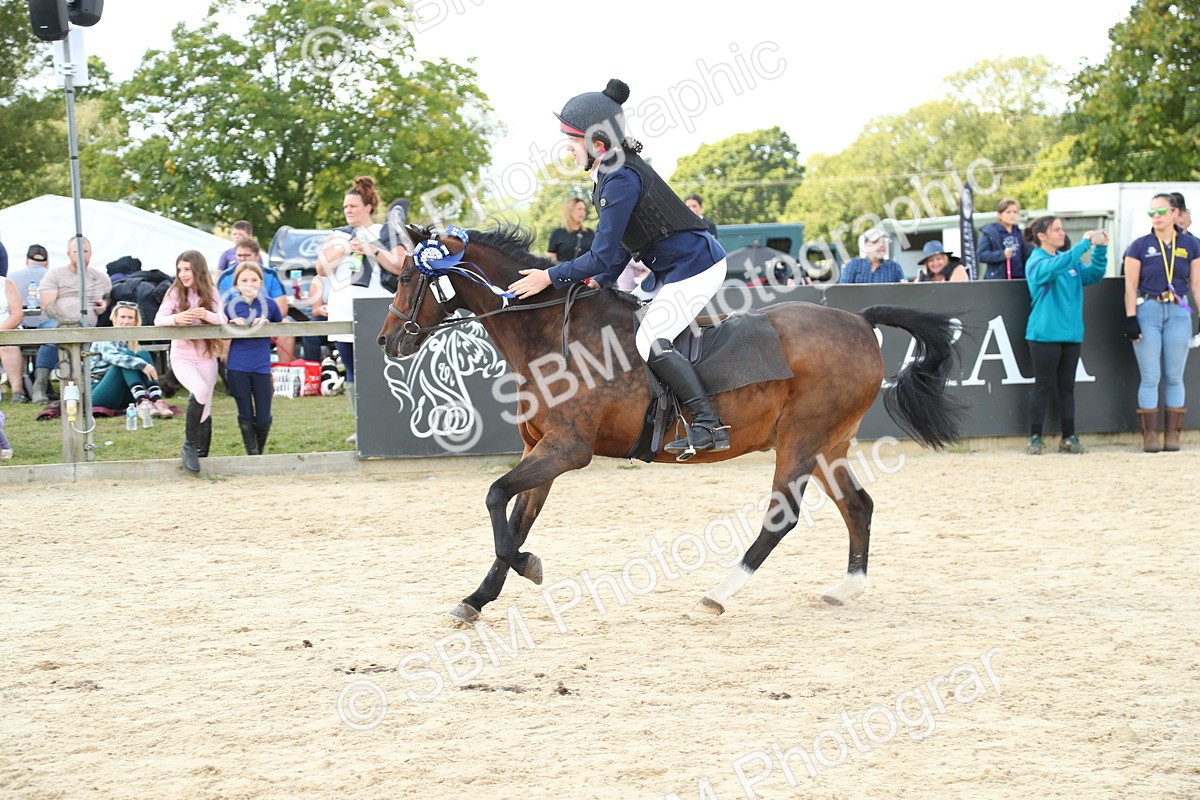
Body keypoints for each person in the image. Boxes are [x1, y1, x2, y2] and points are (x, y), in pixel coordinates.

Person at [507, 78, 730, 457]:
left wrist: (550, 275)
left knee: (649, 340)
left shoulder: (620, 178)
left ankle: (709, 425)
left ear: (597, 144)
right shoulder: (611, 172)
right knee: (626, 326)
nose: (567, 148)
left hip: (696, 267)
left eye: (572, 140)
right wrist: (602, 281)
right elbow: (623, 247)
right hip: (671, 269)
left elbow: (599, 253)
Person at [316, 176, 404, 444]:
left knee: (381, 369)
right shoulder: (339, 234)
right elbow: (320, 268)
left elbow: (400, 266)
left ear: (368, 206)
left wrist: (372, 250)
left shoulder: (385, 231)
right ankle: (361, 427)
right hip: (343, 309)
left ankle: (388, 423)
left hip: (376, 310)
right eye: (345, 207)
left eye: (353, 205)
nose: (348, 210)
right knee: (352, 372)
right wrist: (344, 249)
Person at [1022, 217, 1109, 455]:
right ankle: (1035, 438)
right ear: (1042, 235)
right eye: (1057, 229)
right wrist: (1082, 246)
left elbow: (1093, 275)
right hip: (1043, 334)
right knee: (1042, 386)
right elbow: (1055, 267)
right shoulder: (1036, 261)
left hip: (1071, 334)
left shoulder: (1070, 261)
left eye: (1062, 229)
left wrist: (1101, 250)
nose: (1062, 233)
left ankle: (1069, 437)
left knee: (1067, 388)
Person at [1123, 192, 1200, 452]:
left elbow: (1196, 285)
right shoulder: (1139, 245)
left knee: (1174, 375)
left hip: (1178, 310)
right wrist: (1131, 317)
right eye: (1152, 213)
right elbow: (1130, 285)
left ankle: (1173, 435)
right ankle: (1150, 435)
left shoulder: (1191, 245)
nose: (1156, 217)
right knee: (1150, 376)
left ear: (1175, 213)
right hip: (1149, 309)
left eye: (1161, 212)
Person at [156, 250, 223, 474]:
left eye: (187, 269)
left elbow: (223, 319)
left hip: (207, 357)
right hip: (182, 356)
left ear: (198, 269)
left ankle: (201, 455)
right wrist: (176, 318)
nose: (182, 274)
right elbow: (159, 319)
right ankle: (189, 446)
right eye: (179, 270)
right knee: (200, 390)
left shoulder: (211, 291)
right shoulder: (174, 292)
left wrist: (206, 315)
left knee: (206, 404)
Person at [33, 236, 111, 405]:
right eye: (77, 252)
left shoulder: (101, 278)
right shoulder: (55, 274)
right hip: (54, 323)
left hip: (88, 327)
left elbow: (107, 298)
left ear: (91, 253)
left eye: (85, 251)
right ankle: (39, 386)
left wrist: (104, 305)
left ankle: (88, 385)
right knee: (55, 334)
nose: (82, 255)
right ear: (69, 254)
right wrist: (66, 323)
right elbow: (47, 304)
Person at [223, 262, 283, 455]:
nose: (249, 284)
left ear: (261, 282)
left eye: (254, 279)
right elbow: (220, 332)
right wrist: (231, 324)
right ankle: (253, 454)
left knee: (264, 417)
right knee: (246, 413)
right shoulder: (229, 307)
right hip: (237, 367)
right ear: (236, 284)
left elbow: (281, 326)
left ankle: (259, 451)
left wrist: (267, 324)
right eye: (244, 280)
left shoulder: (270, 304)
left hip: (262, 367)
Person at [89, 301, 174, 417]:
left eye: (130, 318)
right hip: (99, 392)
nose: (126, 321)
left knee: (141, 353)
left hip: (122, 394)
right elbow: (114, 358)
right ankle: (141, 401)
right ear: (114, 318)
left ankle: (156, 400)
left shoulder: (130, 343)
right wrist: (143, 365)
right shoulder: (104, 338)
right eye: (122, 317)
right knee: (128, 359)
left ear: (135, 322)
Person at [216, 237, 294, 362]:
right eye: (239, 255)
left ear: (257, 256)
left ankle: (283, 369)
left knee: (286, 324)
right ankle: (229, 369)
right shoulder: (225, 276)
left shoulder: (270, 274)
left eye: (247, 255)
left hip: (266, 320)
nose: (242, 259)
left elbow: (282, 308)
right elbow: (221, 311)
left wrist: (265, 319)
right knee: (226, 327)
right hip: (237, 322)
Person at [978, 198, 1029, 280]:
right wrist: (1002, 255)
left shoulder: (1020, 233)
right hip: (998, 279)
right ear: (999, 215)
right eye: (1008, 212)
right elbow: (981, 256)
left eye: (1015, 212)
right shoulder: (990, 232)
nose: (1012, 215)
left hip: (1020, 278)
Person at [838, 229, 906, 284]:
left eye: (884, 242)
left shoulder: (894, 267)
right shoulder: (853, 265)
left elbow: (903, 293)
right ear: (865, 245)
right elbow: (843, 292)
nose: (882, 245)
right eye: (876, 242)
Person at [546, 196, 596, 264]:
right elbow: (551, 260)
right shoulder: (557, 233)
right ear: (570, 211)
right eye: (579, 209)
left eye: (584, 209)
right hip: (562, 273)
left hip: (587, 274)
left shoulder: (590, 233)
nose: (583, 212)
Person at [0, 274, 25, 403]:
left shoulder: (6, 284)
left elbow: (17, 315)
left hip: (7, 328)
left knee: (7, 344)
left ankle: (17, 391)